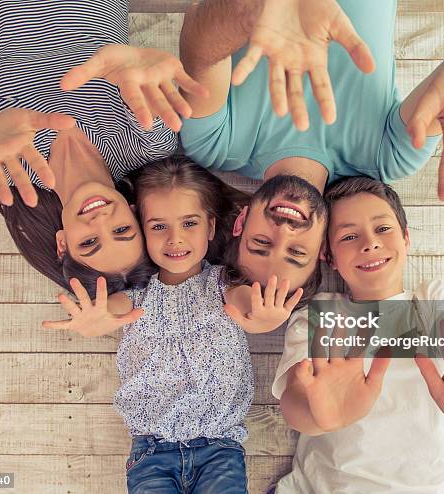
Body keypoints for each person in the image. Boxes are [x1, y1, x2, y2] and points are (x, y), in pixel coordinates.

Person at [175, 0, 444, 295]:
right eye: (296, 252)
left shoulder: (215, 146)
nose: (283, 232)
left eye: (261, 244)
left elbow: (197, 39)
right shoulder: (388, 157)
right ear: (323, 251)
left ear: (240, 223)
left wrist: (255, 9)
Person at [43, 157, 304, 493]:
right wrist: (98, 317)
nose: (175, 239)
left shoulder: (224, 285)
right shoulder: (137, 294)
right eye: (158, 226)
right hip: (151, 451)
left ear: (210, 227)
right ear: (141, 229)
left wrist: (262, 318)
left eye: (189, 224)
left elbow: (245, 306)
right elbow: (114, 310)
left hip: (219, 449)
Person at [270, 176, 444, 493]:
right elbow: (294, 403)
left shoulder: (435, 300)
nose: (370, 243)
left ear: (406, 238)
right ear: (329, 257)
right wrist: (319, 417)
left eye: (382, 229)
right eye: (349, 236)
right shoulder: (318, 316)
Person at [0, 0, 207, 296]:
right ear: (134, 213)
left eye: (89, 242)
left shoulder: (11, 170)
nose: (100, 221)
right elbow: (145, 92)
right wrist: (142, 73)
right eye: (121, 231)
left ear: (62, 244)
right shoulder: (146, 145)